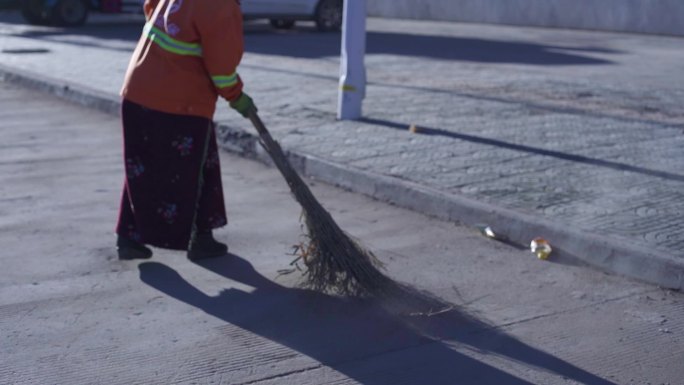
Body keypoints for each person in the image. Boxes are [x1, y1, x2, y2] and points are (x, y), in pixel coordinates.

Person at [115, 0, 255, 260]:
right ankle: (198, 238)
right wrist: (236, 96)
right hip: (179, 101)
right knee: (192, 170)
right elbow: (222, 68)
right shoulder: (221, 4)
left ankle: (132, 238)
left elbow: (150, 7)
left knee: (145, 167)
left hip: (138, 87)